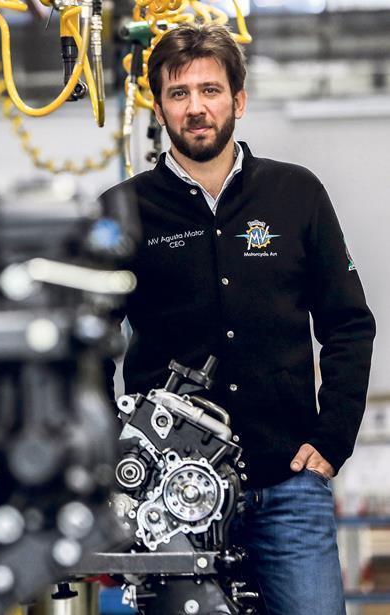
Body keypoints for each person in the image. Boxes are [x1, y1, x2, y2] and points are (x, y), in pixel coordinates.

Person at [99, 23, 376, 615]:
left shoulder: (295, 194)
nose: (196, 108)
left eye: (210, 90)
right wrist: (107, 450)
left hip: (286, 485)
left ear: (238, 101)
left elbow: (349, 323)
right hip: (169, 495)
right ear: (159, 105)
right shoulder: (122, 211)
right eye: (179, 93)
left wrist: (333, 439)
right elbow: (87, 343)